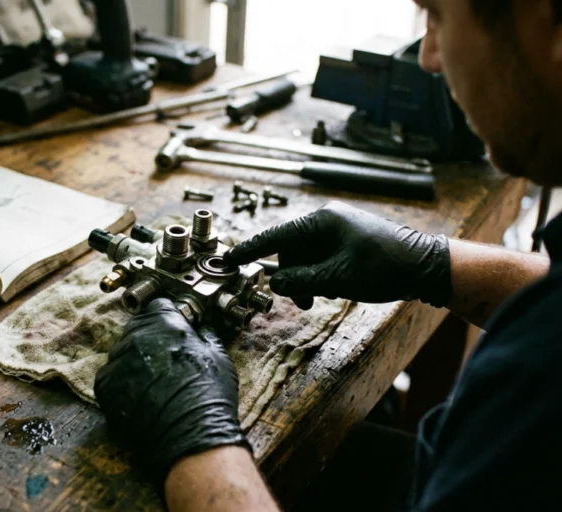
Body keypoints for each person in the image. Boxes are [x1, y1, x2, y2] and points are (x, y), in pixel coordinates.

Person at [93, 0, 562, 510]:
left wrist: (195, 442)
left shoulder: (537, 378)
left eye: (438, 15)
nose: (429, 57)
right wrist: (436, 264)